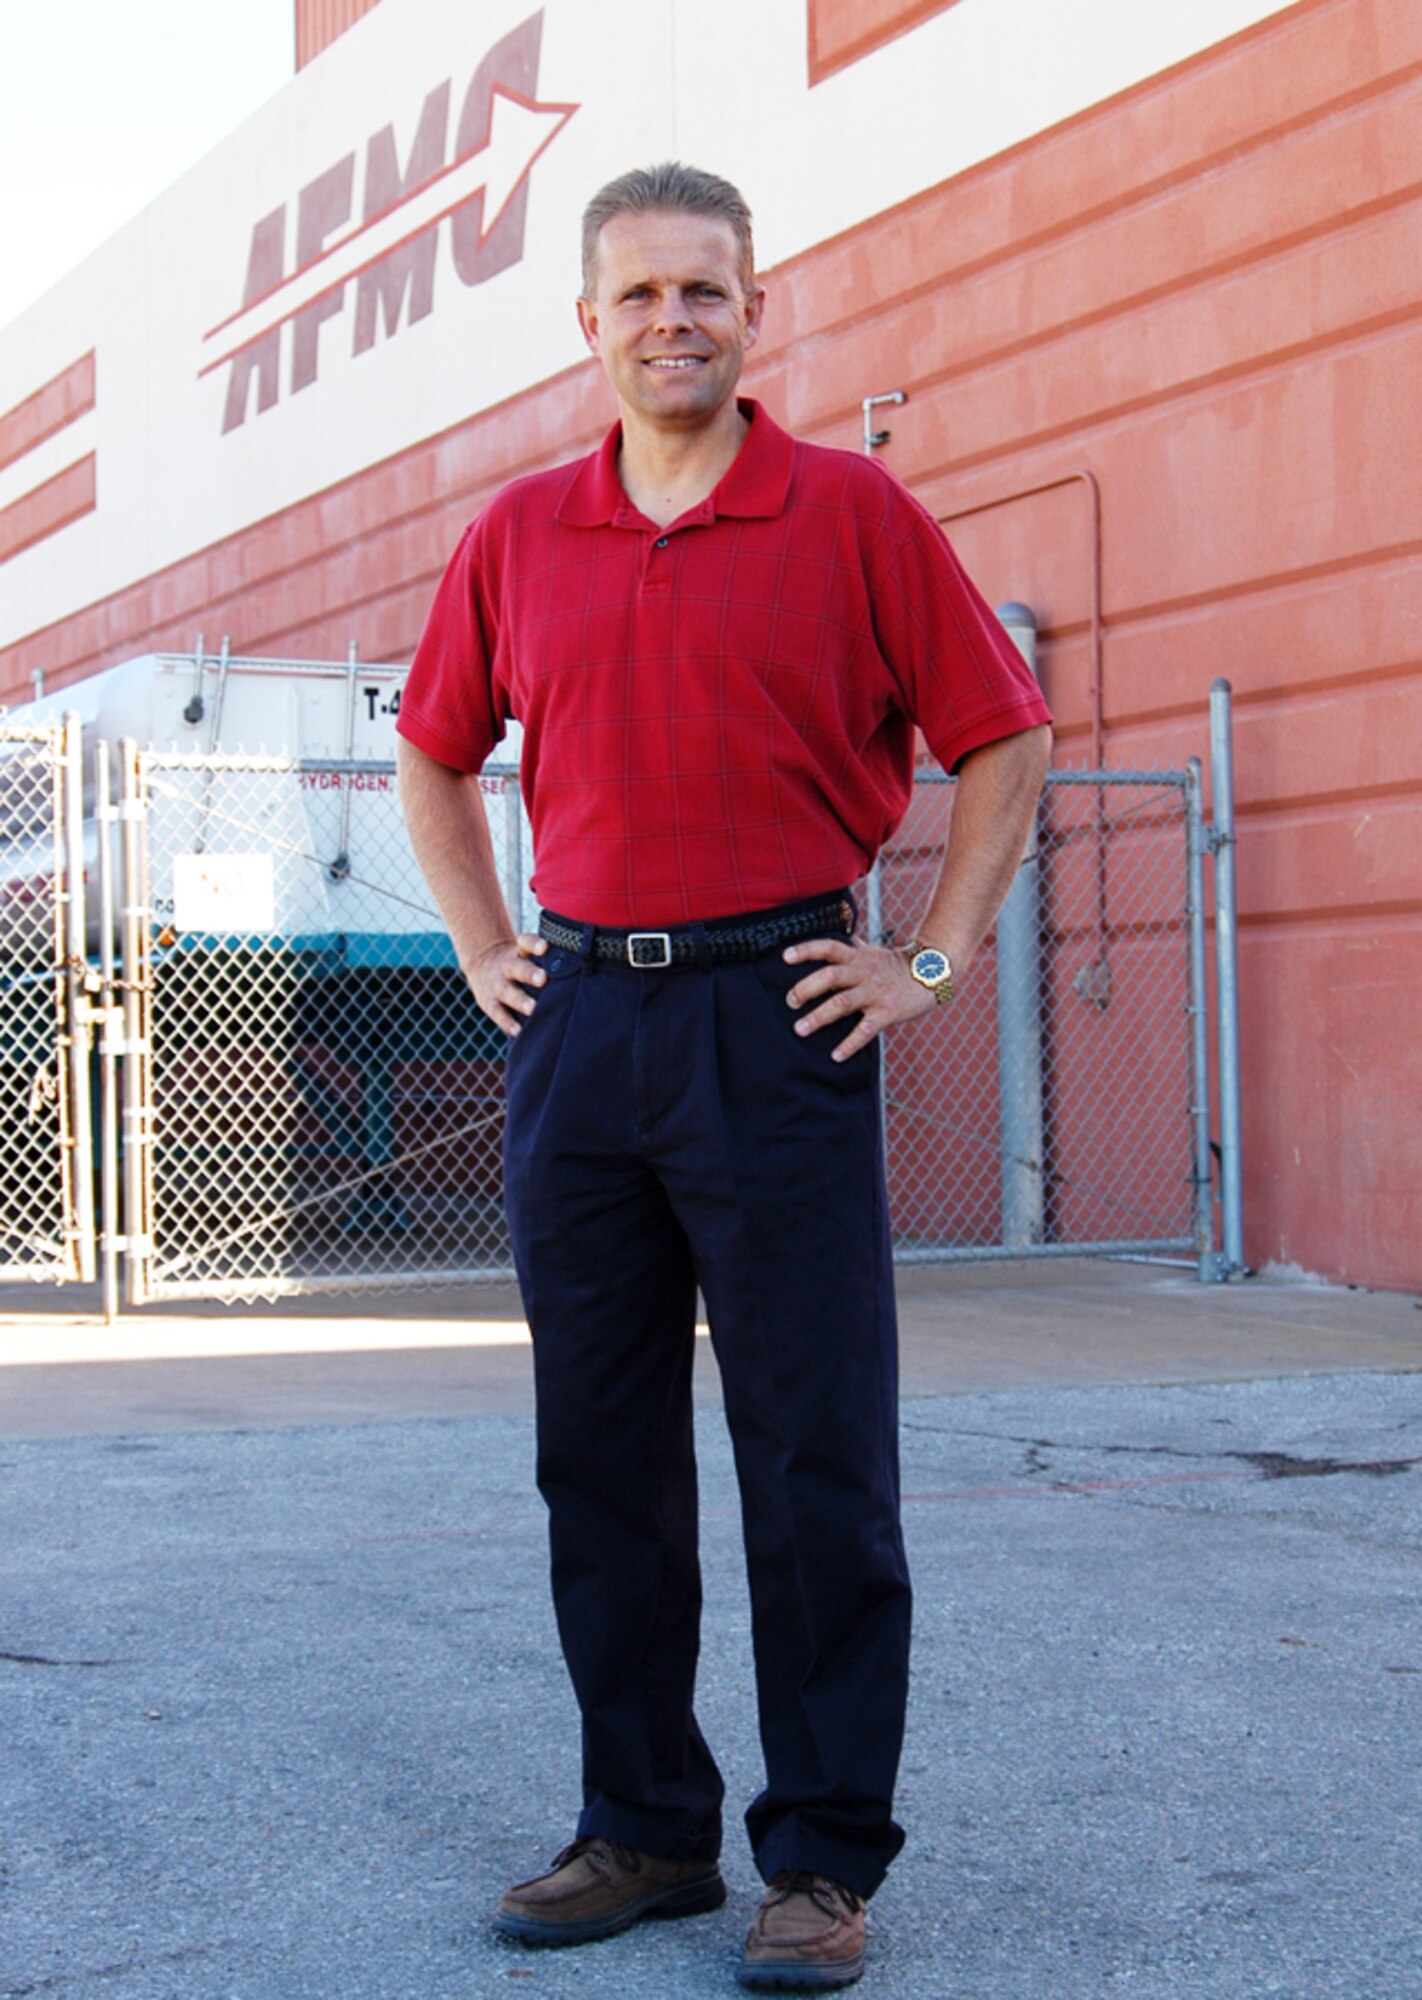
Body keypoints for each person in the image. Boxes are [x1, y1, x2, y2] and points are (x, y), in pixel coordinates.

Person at [396, 161, 1051, 1991]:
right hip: (579, 1028)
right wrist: (480, 943)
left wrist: (921, 960)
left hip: (780, 1013)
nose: (669, 320)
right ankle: (644, 1831)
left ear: (754, 311)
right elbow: (435, 759)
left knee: (814, 1454)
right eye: (636, 295)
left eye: (704, 290)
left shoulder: (846, 513)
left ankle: (822, 1860)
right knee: (597, 1459)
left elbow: (1002, 738)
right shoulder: (517, 534)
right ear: (586, 326)